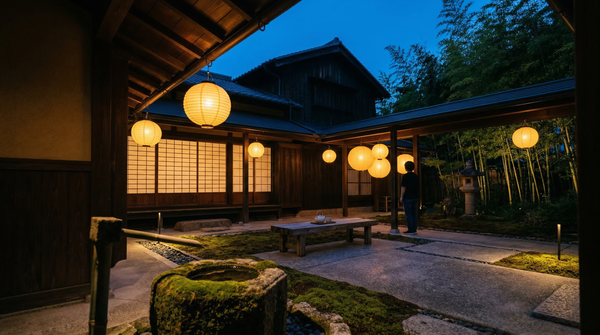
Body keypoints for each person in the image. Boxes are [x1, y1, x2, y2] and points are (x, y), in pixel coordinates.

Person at [400, 161, 419, 234]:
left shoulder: (405, 176)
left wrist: (401, 197)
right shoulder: (415, 176)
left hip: (407, 197)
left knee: (408, 213)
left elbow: (404, 187)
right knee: (414, 213)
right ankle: (414, 228)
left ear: (405, 167)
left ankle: (410, 229)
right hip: (414, 196)